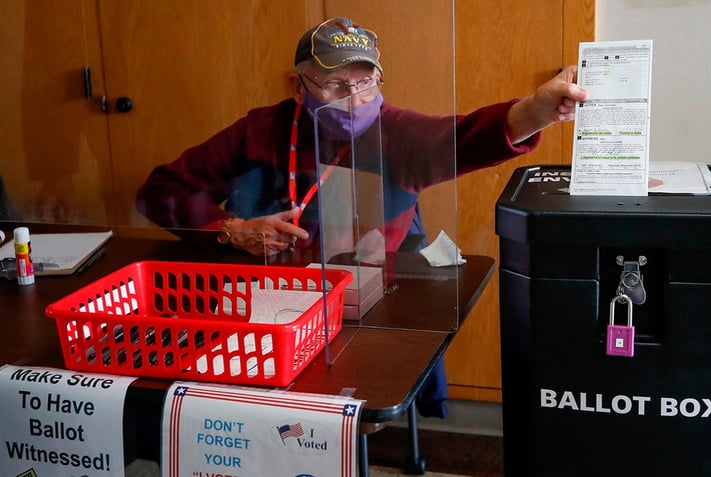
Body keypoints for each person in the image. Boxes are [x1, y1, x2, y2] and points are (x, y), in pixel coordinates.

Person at [136, 17, 588, 417]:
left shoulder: (397, 132)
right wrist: (230, 231)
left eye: (365, 83)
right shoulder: (259, 129)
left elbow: (465, 137)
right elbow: (160, 190)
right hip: (270, 296)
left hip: (362, 305)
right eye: (334, 84)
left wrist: (535, 112)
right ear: (298, 87)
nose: (353, 99)